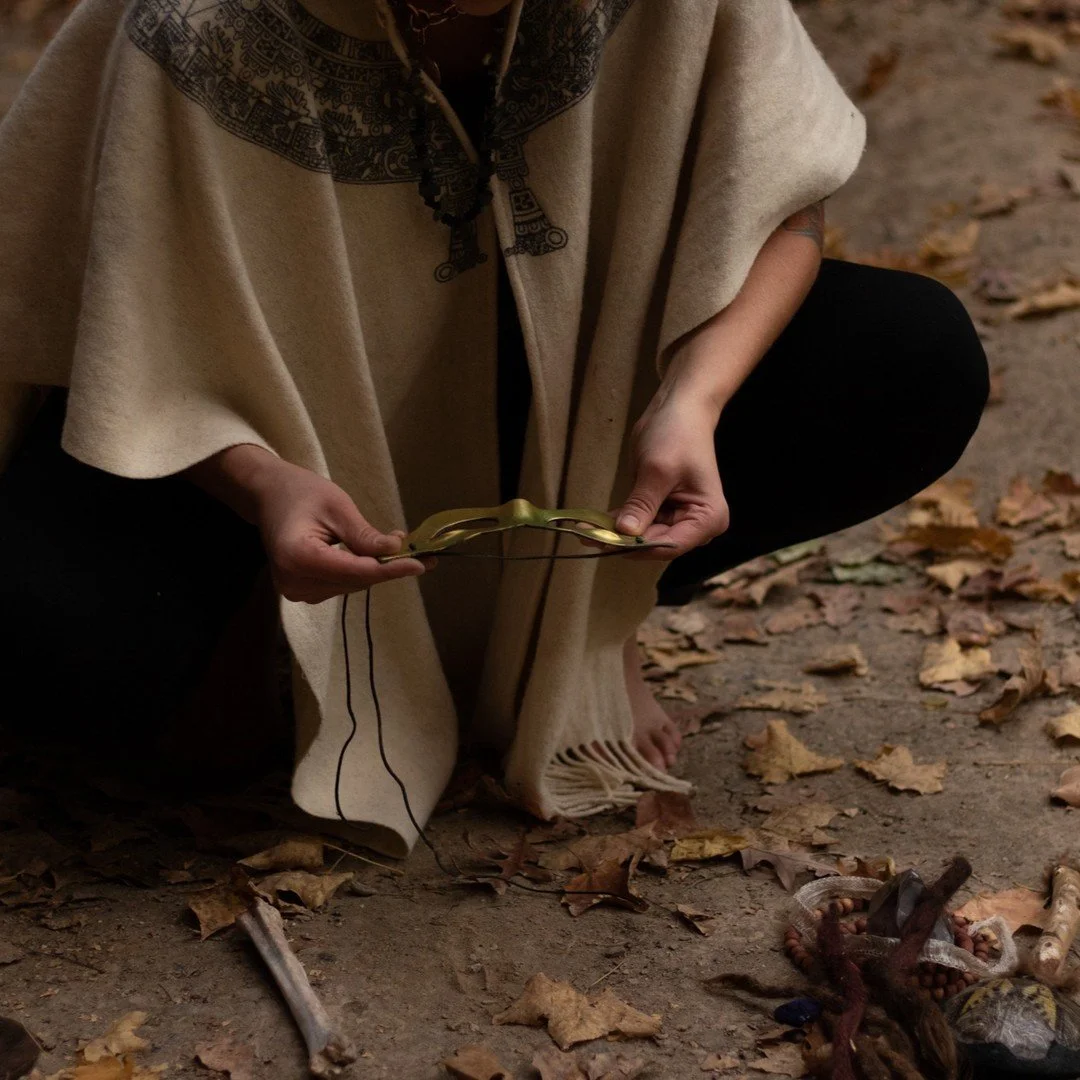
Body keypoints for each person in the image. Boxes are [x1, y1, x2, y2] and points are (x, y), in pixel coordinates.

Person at [0, 0, 988, 855]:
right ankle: (282, 631)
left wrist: (692, 399)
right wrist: (261, 485)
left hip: (568, 384)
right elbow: (126, 322)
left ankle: (586, 623)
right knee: (55, 632)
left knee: (914, 358)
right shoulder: (191, 22)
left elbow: (784, 199)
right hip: (255, 418)